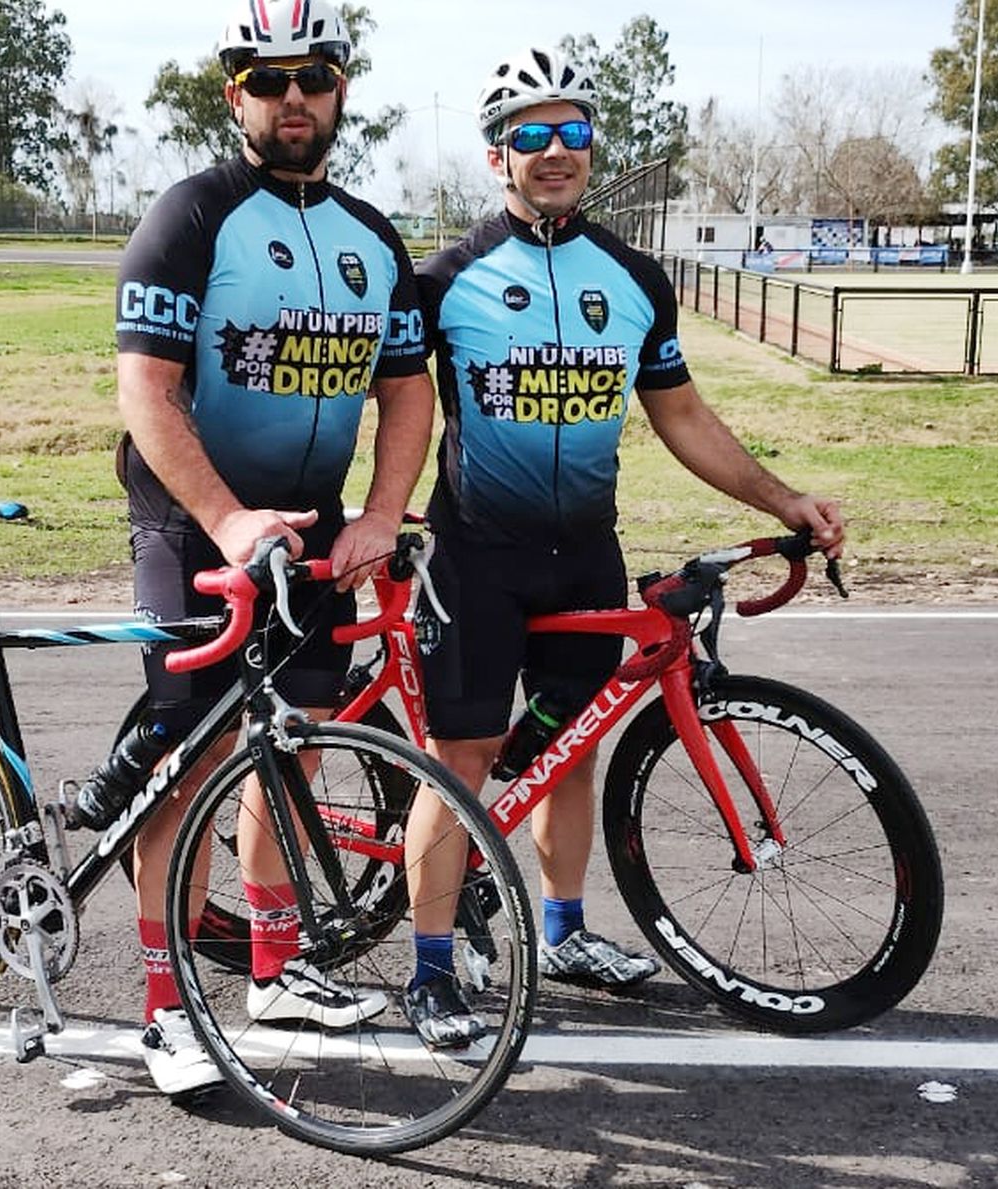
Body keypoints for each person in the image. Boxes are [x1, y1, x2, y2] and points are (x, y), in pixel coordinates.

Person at [400, 46, 846, 1046]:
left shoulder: (635, 278)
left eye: (572, 132)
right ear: (495, 156)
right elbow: (389, 405)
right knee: (461, 758)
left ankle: (562, 931)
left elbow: (682, 414)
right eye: (530, 134)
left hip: (584, 554)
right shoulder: (447, 279)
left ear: (591, 149)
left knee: (569, 750)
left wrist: (785, 498)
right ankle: (430, 972)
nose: (554, 151)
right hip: (475, 555)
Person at [80, 0, 436, 1097]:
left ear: (339, 92)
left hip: (318, 526)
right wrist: (230, 520)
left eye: (313, 77)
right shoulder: (191, 217)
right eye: (267, 78)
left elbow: (408, 392)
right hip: (197, 522)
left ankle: (277, 971)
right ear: (235, 93)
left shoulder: (374, 236)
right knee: (185, 768)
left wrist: (381, 512)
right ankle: (163, 1007)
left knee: (292, 751)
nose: (293, 97)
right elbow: (147, 391)